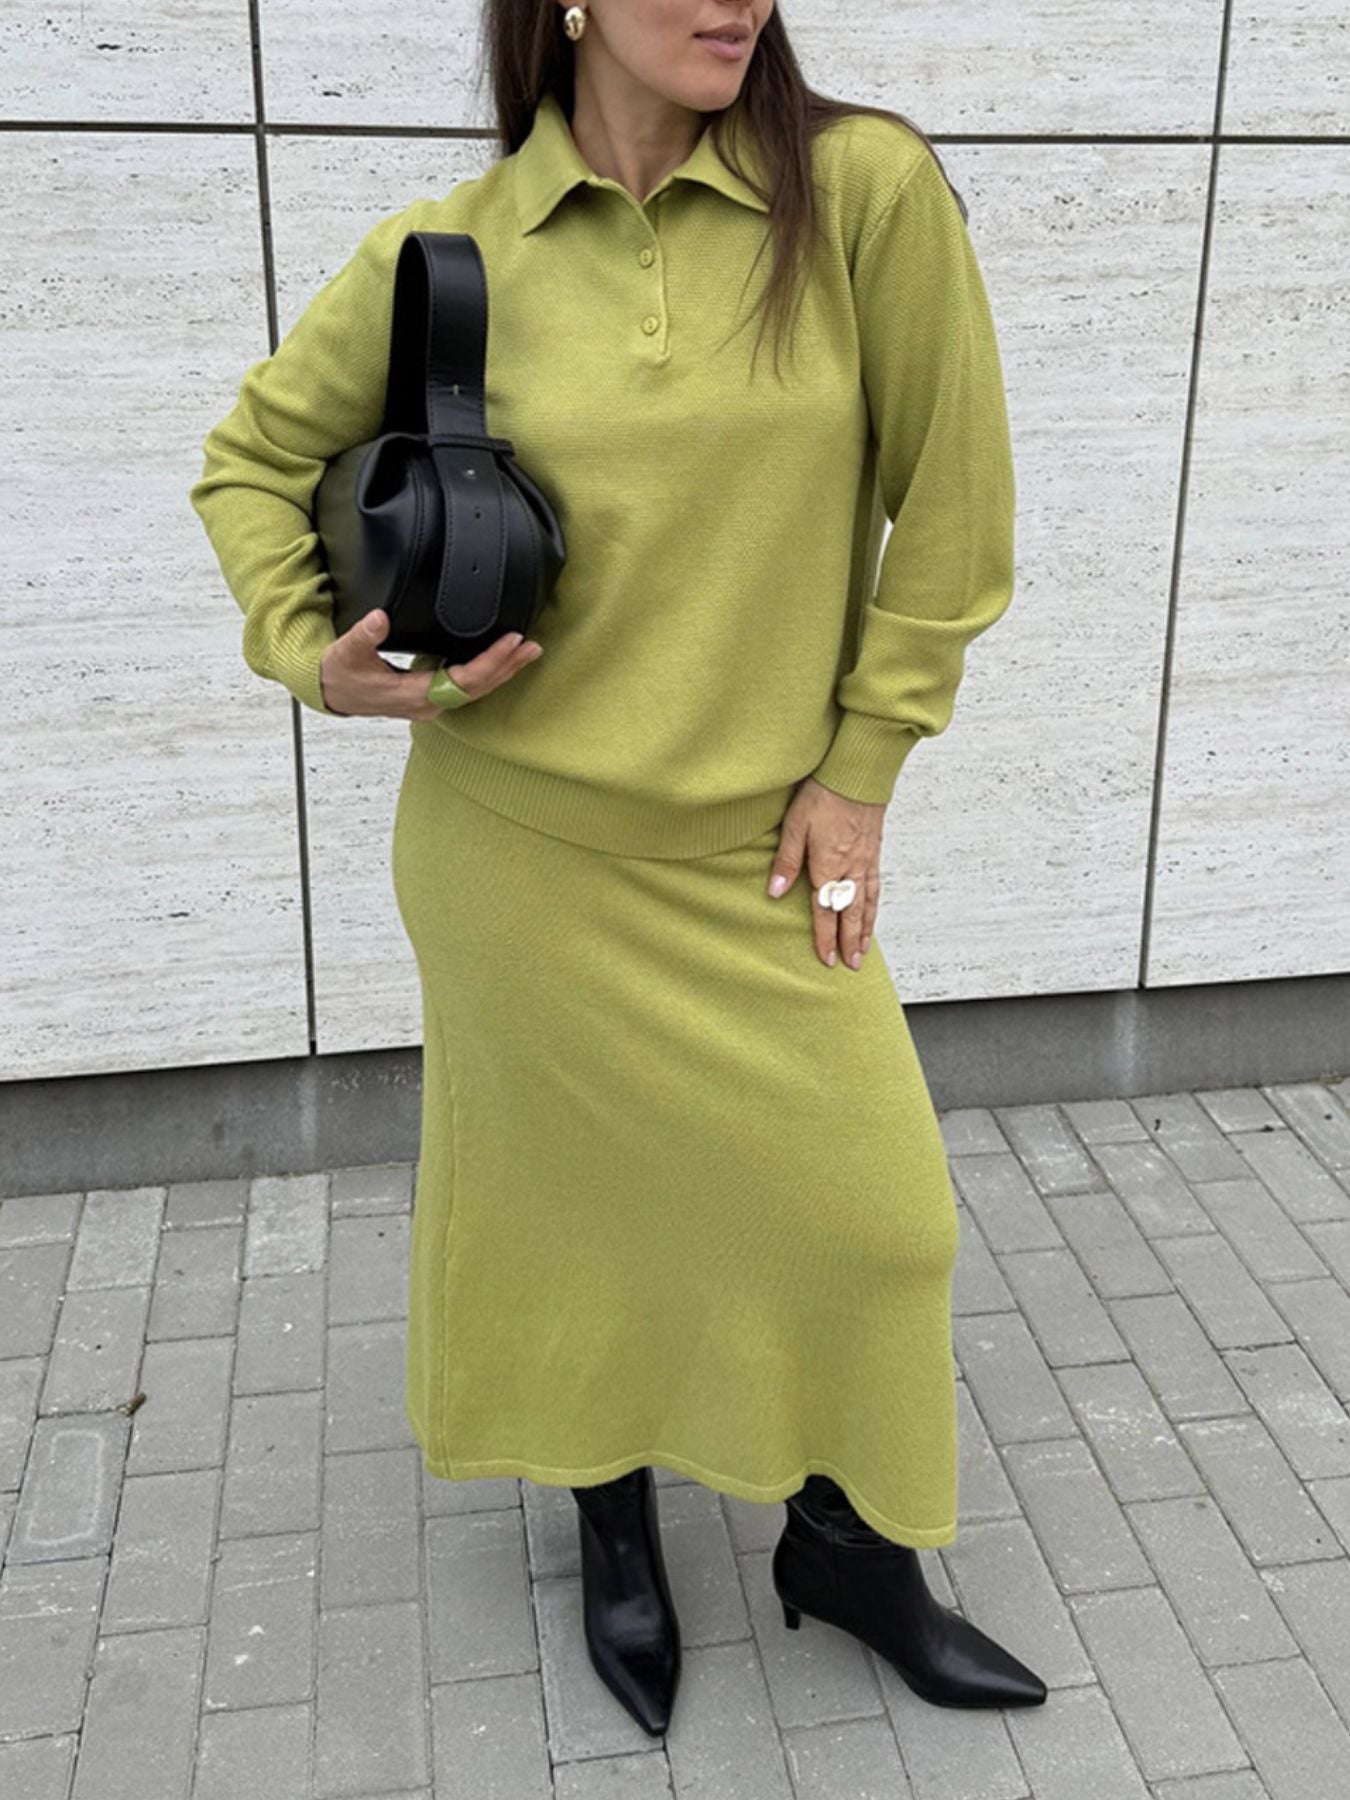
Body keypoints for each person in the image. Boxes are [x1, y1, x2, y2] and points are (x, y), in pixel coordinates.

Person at [189, 0, 1047, 1740]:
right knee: (566, 1222)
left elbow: (952, 520)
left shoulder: (859, 193)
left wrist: (862, 776)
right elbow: (252, 462)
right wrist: (316, 651)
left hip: (754, 849)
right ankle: (613, 1523)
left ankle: (846, 1547)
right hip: (515, 852)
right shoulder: (453, 254)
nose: (735, 3)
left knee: (877, 1223)